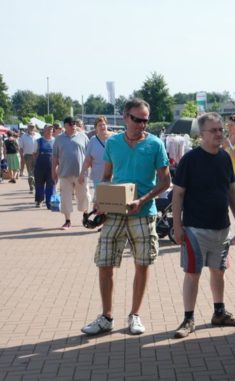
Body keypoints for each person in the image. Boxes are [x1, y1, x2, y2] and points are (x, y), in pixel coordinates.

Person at [80, 98, 170, 336]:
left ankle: (135, 315)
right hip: (115, 213)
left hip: (144, 212)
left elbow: (166, 181)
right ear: (125, 118)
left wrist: (143, 200)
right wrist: (102, 199)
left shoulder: (155, 144)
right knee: (105, 263)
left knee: (143, 264)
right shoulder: (114, 143)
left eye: (145, 120)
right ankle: (106, 317)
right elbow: (107, 176)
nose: (142, 124)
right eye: (137, 119)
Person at [171, 113, 235, 339]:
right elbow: (178, 194)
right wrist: (177, 226)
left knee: (219, 272)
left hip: (221, 228)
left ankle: (219, 312)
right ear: (201, 134)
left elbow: (232, 191)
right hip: (195, 230)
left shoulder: (224, 157)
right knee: (193, 273)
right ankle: (188, 318)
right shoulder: (190, 160)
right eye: (213, 130)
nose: (219, 133)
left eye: (221, 129)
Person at [52, 117, 90, 230]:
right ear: (65, 126)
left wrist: (89, 171)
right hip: (64, 173)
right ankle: (67, 221)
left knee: (84, 195)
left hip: (81, 174)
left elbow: (89, 156)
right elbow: (54, 157)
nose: (73, 125)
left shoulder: (83, 137)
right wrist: (53, 171)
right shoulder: (59, 139)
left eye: (74, 123)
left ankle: (86, 215)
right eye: (70, 124)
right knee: (65, 198)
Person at [78, 116, 112, 201]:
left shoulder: (114, 138)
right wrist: (82, 174)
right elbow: (87, 160)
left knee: (112, 200)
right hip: (98, 176)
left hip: (113, 176)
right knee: (101, 200)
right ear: (96, 128)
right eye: (99, 125)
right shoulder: (93, 141)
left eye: (104, 124)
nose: (102, 127)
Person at [33, 125, 56, 209]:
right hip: (40, 167)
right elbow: (34, 154)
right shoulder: (38, 141)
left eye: (51, 129)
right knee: (39, 184)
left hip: (52, 167)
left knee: (50, 185)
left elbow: (59, 155)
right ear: (44, 130)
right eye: (48, 129)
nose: (50, 131)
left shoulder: (56, 141)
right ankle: (39, 200)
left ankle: (49, 203)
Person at [18, 124, 40, 192]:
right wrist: (22, 156)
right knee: (30, 172)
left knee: (37, 171)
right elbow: (21, 148)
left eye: (33, 127)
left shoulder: (38, 135)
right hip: (28, 156)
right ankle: (31, 186)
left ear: (35, 127)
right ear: (27, 127)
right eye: (30, 126)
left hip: (37, 155)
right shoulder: (23, 136)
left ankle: (36, 185)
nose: (31, 128)